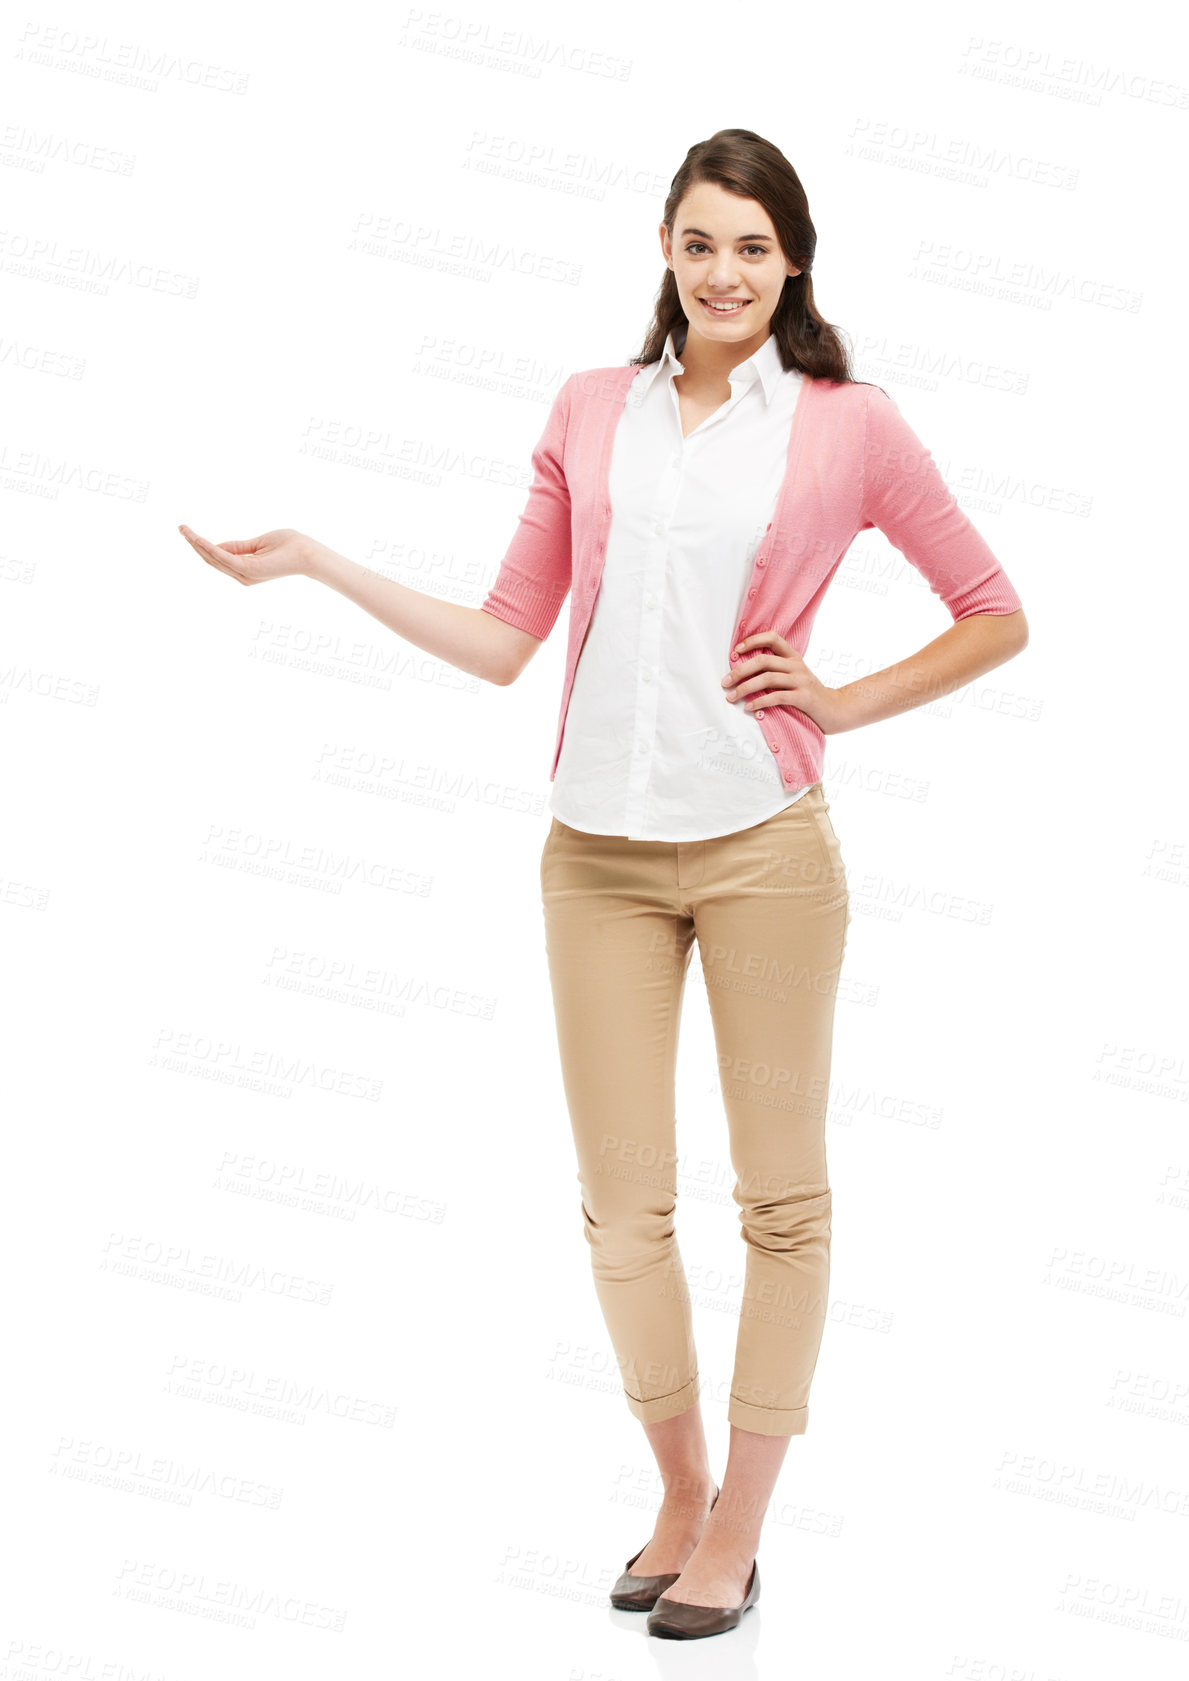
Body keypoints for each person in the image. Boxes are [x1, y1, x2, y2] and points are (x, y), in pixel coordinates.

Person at [179, 127, 1028, 1642]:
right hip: (595, 859)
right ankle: (677, 1492)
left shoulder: (848, 422)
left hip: (767, 851)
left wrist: (839, 699)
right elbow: (509, 634)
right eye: (700, 242)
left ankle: (742, 1528)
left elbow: (992, 613)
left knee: (781, 1201)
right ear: (662, 247)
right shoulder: (588, 410)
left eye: (753, 249)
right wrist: (315, 560)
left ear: (793, 262)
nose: (724, 273)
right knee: (622, 1209)